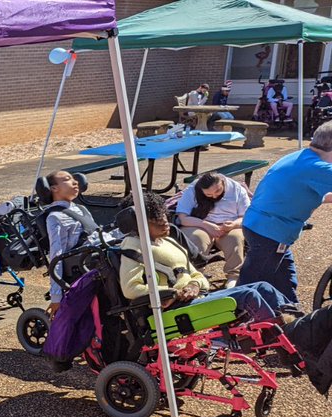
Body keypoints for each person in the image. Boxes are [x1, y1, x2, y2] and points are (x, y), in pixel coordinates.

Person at [119, 191, 291, 325]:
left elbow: (198, 276)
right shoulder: (133, 245)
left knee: (264, 288)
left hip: (195, 296)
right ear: (138, 223)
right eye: (155, 218)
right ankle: (287, 340)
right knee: (248, 295)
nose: (165, 221)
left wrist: (194, 284)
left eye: (163, 215)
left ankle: (298, 324)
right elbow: (130, 289)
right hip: (174, 308)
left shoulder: (168, 241)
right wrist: (173, 293)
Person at [240, 120, 332, 305]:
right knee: (251, 287)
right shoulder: (318, 168)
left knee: (285, 282)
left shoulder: (301, 157)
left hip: (261, 226)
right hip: (270, 232)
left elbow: (297, 191)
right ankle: (233, 326)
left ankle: (293, 318)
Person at [41, 170, 108, 317]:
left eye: (74, 179)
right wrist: (56, 296)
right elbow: (56, 255)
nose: (75, 182)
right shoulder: (55, 217)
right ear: (54, 188)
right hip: (83, 265)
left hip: (100, 254)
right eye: (67, 179)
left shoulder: (81, 209)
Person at [174, 172, 249, 287]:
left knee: (235, 239)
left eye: (218, 191)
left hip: (228, 226)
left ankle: (233, 276)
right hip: (199, 224)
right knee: (197, 238)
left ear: (223, 182)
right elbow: (183, 218)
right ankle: (196, 276)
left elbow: (245, 217)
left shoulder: (237, 189)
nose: (214, 196)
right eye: (209, 194)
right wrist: (206, 225)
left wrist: (233, 224)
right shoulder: (192, 190)